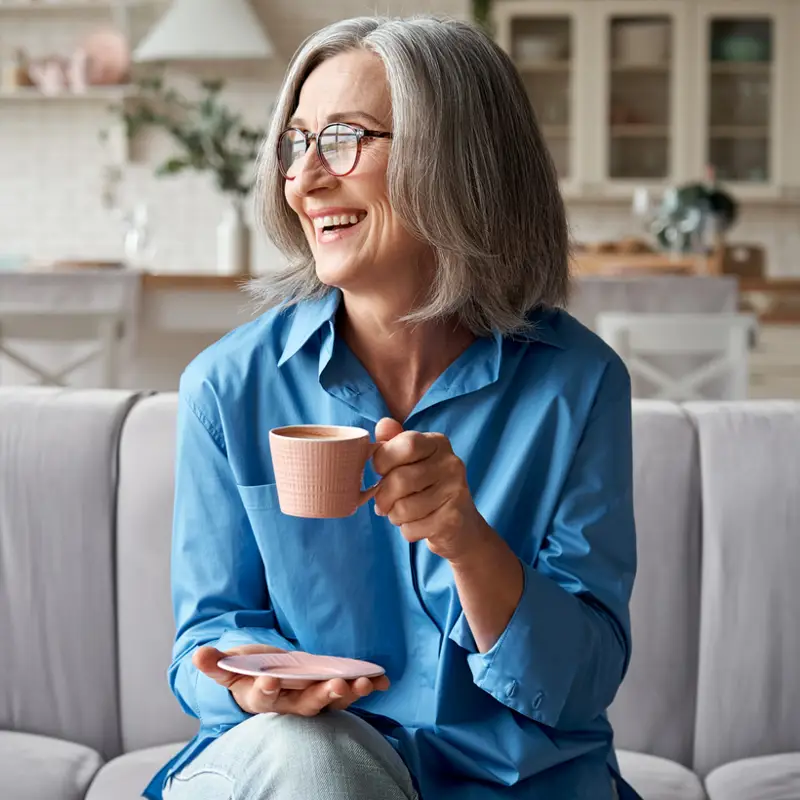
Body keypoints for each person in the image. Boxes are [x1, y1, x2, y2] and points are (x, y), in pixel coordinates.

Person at [144, 14, 639, 800]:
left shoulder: (577, 386)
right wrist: (249, 685)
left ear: (460, 160)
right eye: (295, 143)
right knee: (315, 764)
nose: (304, 179)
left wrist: (467, 541)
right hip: (301, 767)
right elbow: (205, 638)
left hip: (516, 783)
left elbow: (580, 684)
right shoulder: (228, 387)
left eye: (343, 137)